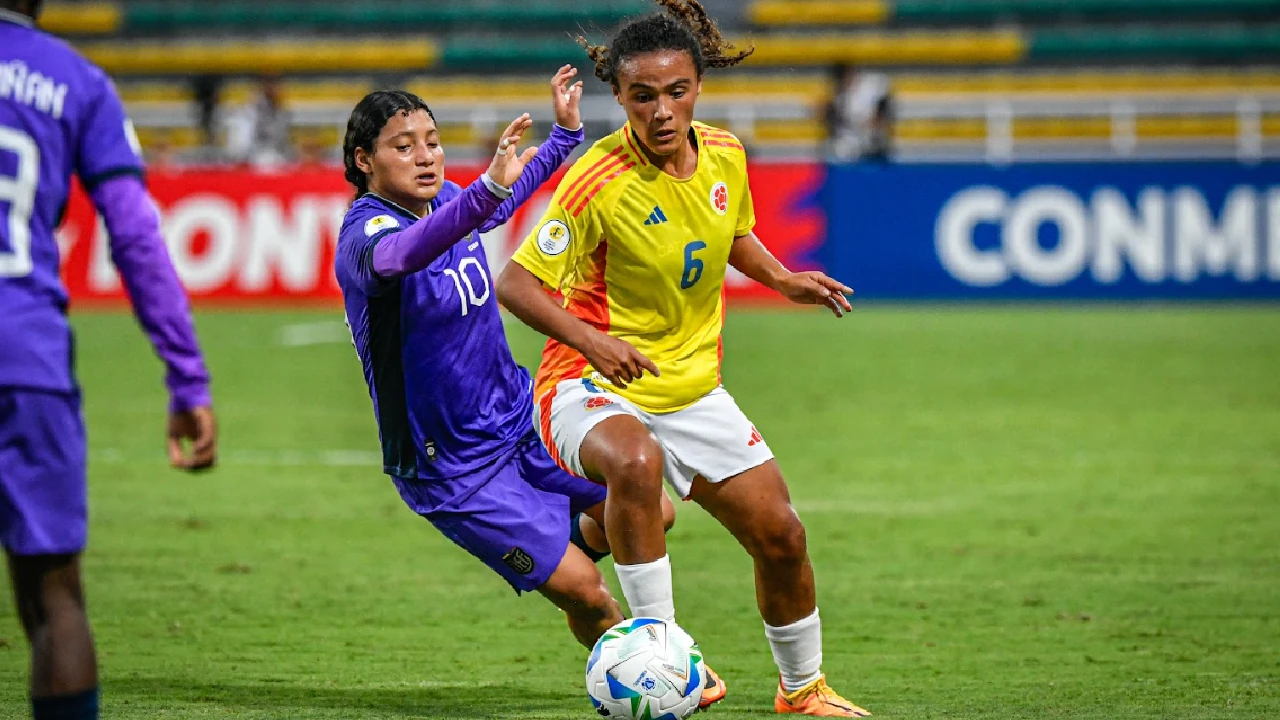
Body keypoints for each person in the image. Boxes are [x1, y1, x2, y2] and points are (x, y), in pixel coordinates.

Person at [496, 1, 868, 715]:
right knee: (634, 464)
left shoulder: (725, 153)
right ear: (621, 98)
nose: (661, 110)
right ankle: (664, 664)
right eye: (642, 96)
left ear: (697, 86)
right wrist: (593, 341)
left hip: (692, 388)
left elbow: (730, 232)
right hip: (589, 381)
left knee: (782, 535)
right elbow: (516, 283)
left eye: (676, 91)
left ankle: (804, 690)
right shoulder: (598, 178)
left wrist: (782, 277)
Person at [333, 70, 726, 707]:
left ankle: (564, 540)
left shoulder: (445, 205)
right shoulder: (364, 239)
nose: (426, 156)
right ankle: (659, 680)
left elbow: (497, 205)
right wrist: (483, 192)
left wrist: (563, 138)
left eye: (432, 141)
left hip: (518, 419)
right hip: (452, 468)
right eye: (404, 146)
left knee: (654, 512)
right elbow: (405, 256)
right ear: (364, 161)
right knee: (589, 593)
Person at [0, 2, 218, 719]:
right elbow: (135, 238)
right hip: (23, 355)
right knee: (53, 599)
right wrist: (186, 374)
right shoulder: (77, 81)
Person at [825, 64, 893, 163]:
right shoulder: (841, 97)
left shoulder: (871, 84)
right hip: (854, 139)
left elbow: (884, 100)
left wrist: (878, 118)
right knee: (838, 149)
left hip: (873, 135)